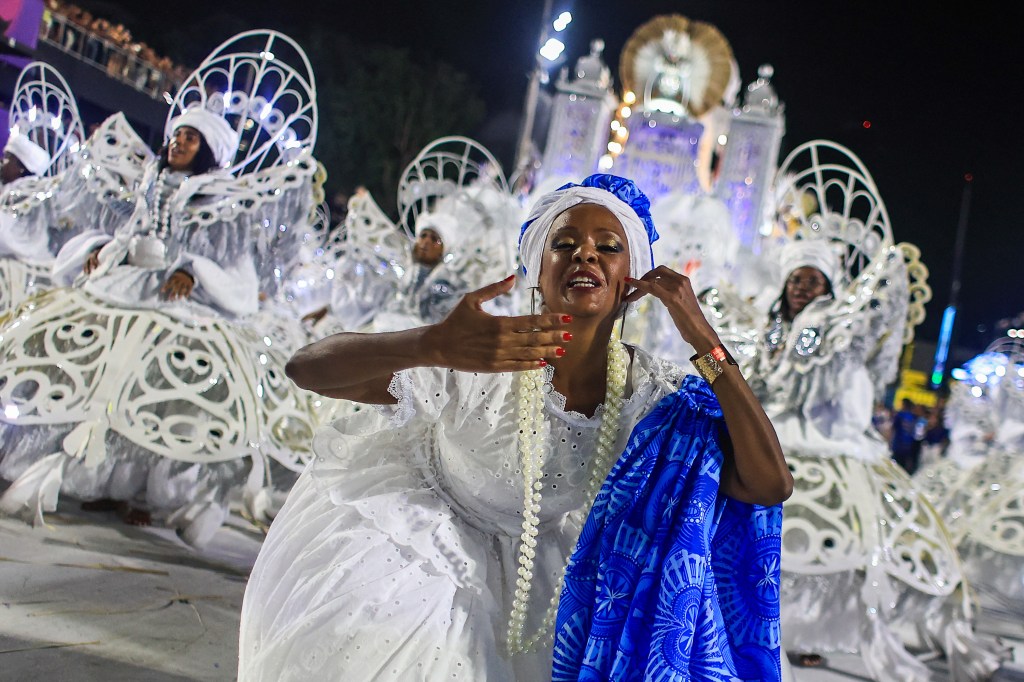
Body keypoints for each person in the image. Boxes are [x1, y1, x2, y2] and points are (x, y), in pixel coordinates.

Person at [238, 174, 793, 680]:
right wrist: (429, 343)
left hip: (543, 570)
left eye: (609, 246)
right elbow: (306, 369)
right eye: (565, 243)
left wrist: (703, 338)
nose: (586, 255)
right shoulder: (486, 354)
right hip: (423, 533)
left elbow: (769, 484)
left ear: (633, 280)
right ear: (538, 269)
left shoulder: (653, 394)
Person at [0, 104, 318, 546]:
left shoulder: (222, 200)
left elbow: (233, 263)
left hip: (182, 304)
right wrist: (105, 250)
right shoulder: (150, 181)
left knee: (153, 390)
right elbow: (132, 231)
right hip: (125, 286)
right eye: (178, 134)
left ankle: (140, 493)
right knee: (93, 371)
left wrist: (192, 271)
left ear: (206, 149)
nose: (179, 142)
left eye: (191, 138)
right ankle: (88, 479)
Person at [750, 238, 1002, 679]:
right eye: (796, 279)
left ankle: (806, 633)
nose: (802, 288)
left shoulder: (835, 328)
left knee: (829, 543)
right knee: (763, 536)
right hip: (774, 436)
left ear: (828, 288)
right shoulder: (770, 329)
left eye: (812, 280)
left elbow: (843, 389)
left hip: (825, 444)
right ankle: (759, 625)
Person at [890, 398, 919, 473]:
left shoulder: (900, 415)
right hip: (908, 447)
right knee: (901, 469)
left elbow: (893, 428)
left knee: (893, 467)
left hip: (898, 445)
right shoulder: (914, 417)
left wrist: (890, 443)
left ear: (904, 405)